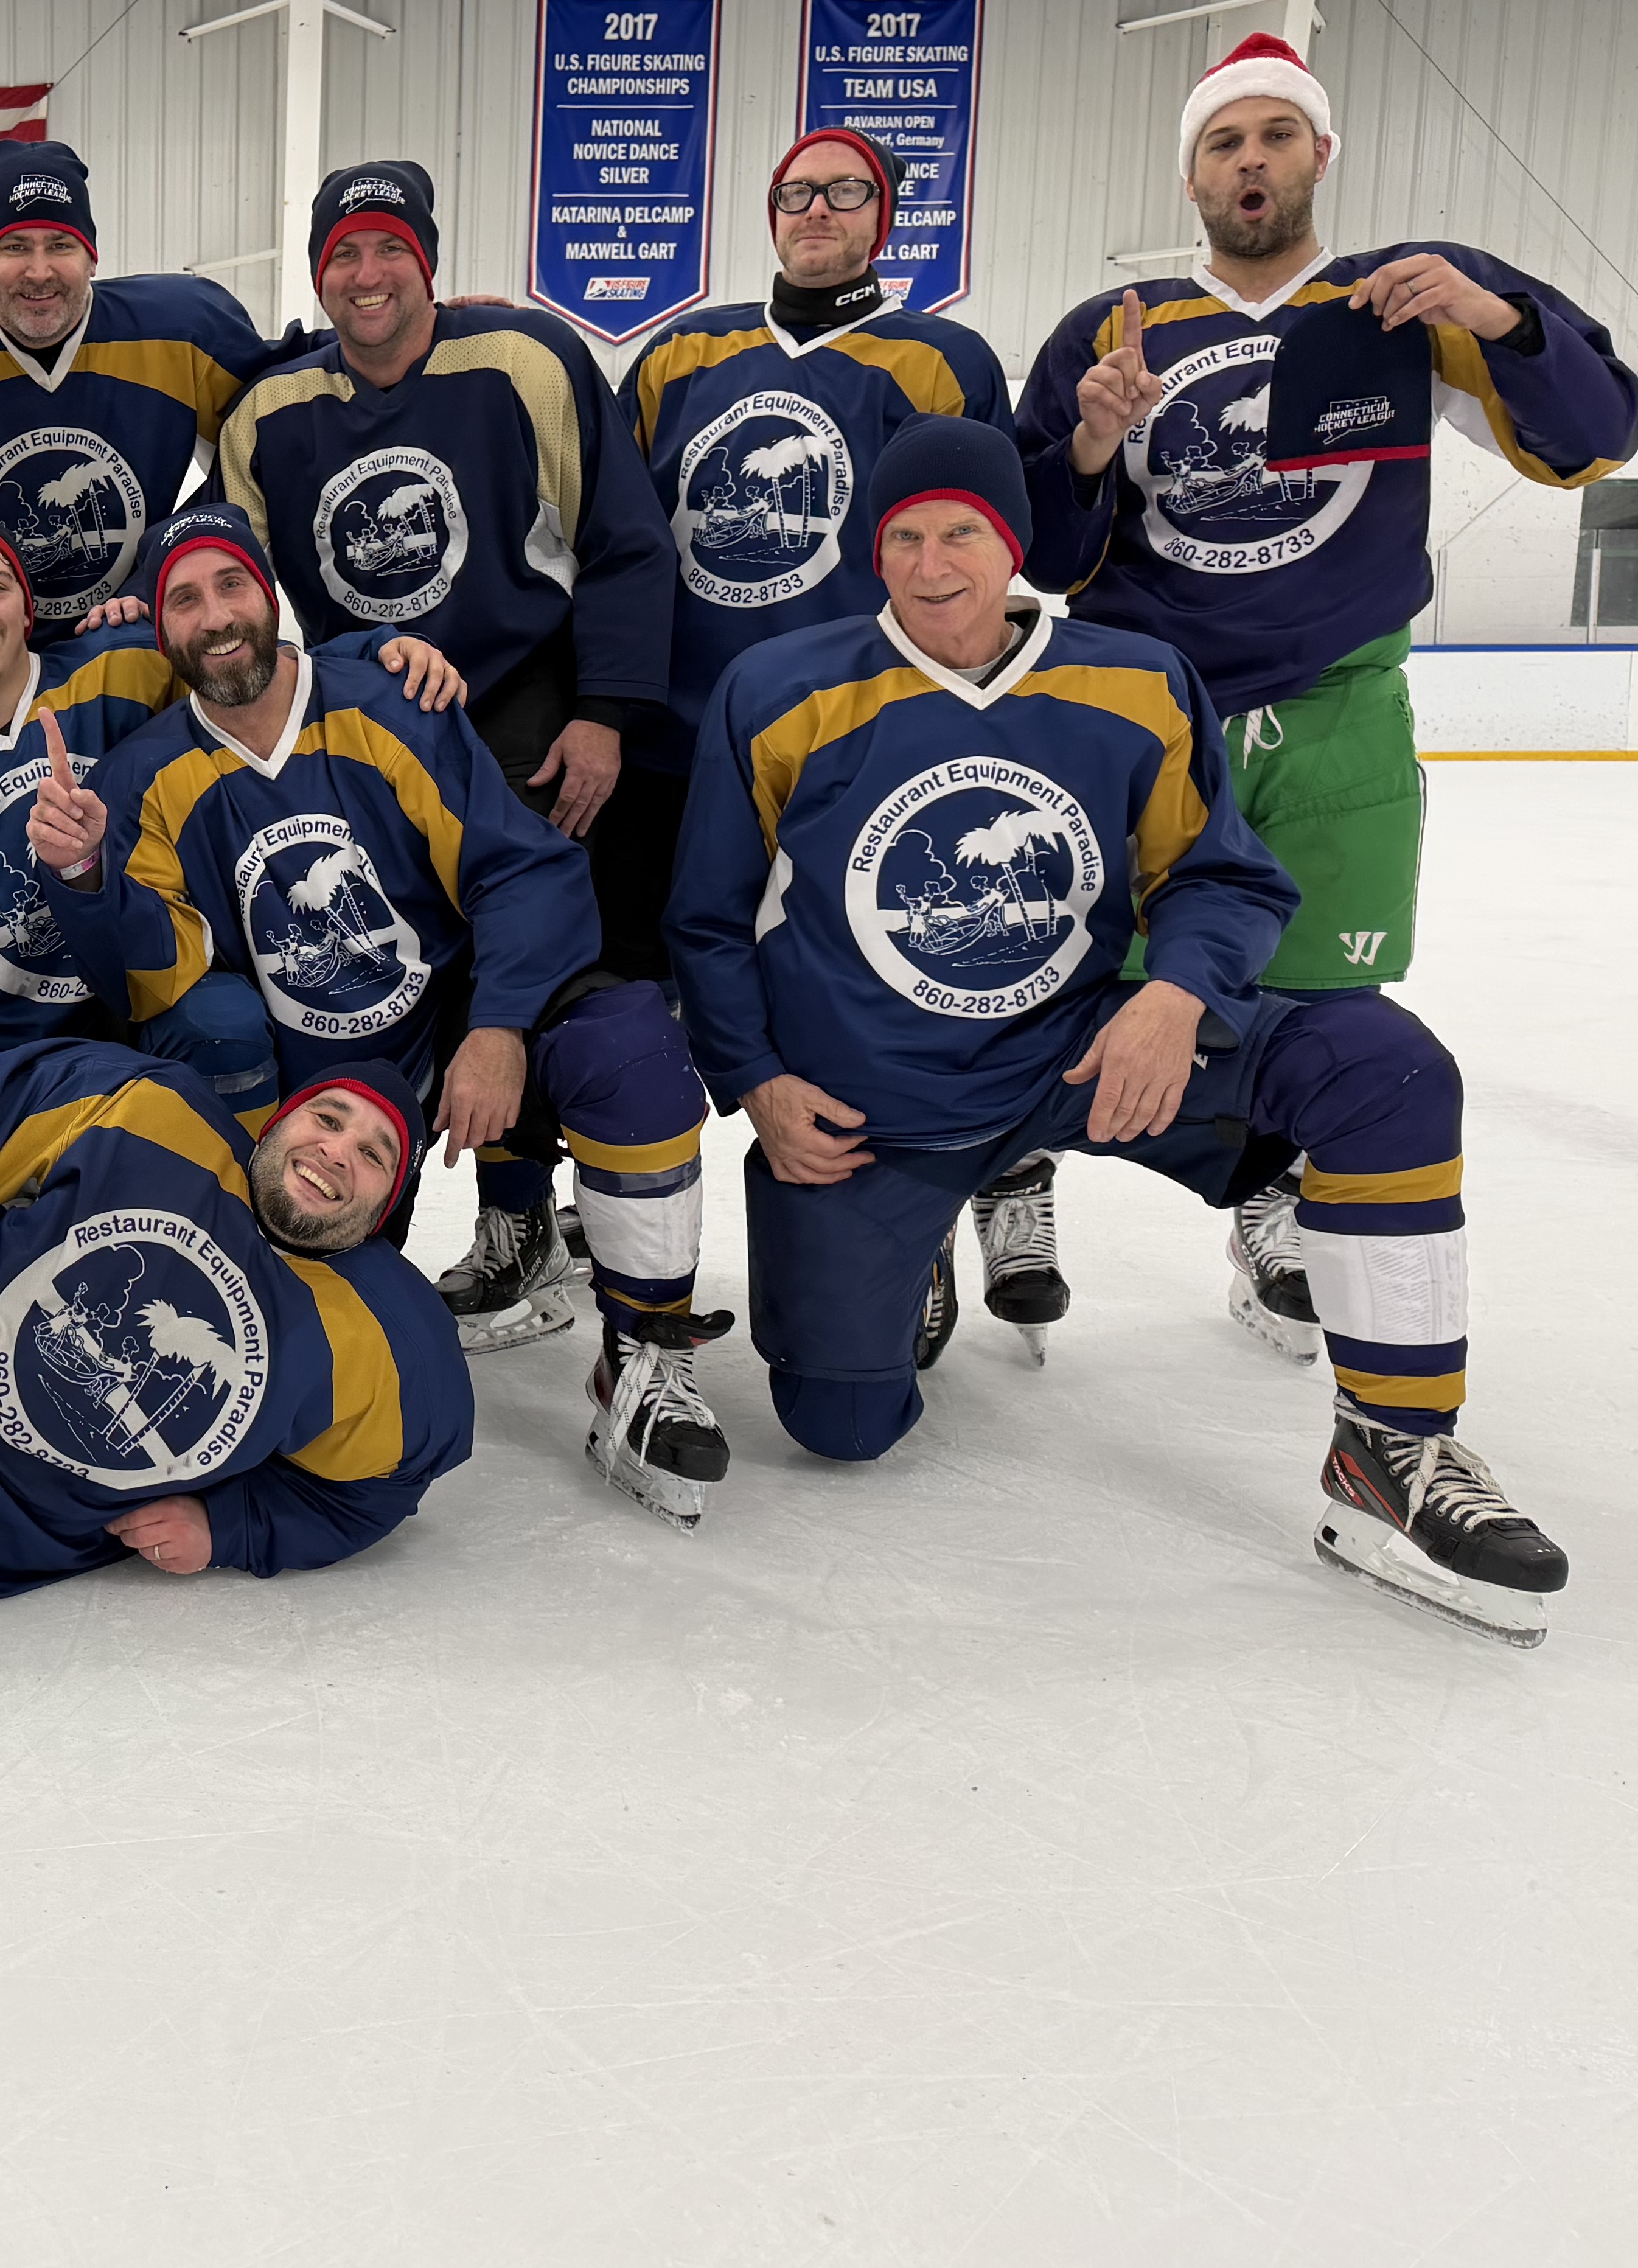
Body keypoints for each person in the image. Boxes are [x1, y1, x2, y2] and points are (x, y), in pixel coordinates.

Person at [671, 417, 1567, 1642]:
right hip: (880, 1108)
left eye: (963, 534)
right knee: (843, 1425)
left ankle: (1393, 1450)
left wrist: (1175, 992)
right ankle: (917, 1231)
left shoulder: (1136, 679)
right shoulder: (782, 689)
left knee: (1382, 1068)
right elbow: (708, 920)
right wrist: (760, 1082)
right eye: (906, 538)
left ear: (1013, 544)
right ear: (873, 551)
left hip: (1083, 1057)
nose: (933, 566)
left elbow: (1220, 878)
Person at [1016, 32, 1638, 1350]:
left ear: (1319, 153)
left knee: (1314, 1003)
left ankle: (1277, 1190)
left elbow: (1593, 440)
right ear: (1191, 176)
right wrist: (1088, 441)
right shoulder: (1114, 327)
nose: (1249, 160)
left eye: (1274, 135)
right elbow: (1046, 557)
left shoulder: (1403, 303)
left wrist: (1499, 318)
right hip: (1143, 719)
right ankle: (1005, 1169)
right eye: (1222, 142)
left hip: (1335, 711)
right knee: (1050, 967)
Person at [23, 510, 732, 1510]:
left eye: (232, 585)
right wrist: (84, 874)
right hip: (321, 1101)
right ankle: (266, 1290)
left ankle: (642, 1355)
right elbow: (150, 978)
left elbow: (521, 872)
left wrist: (495, 1028)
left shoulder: (387, 706)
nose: (215, 616)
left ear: (270, 596)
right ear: (161, 629)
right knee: (216, 1034)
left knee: (629, 1047)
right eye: (184, 598)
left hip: (447, 1020)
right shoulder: (146, 774)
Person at [210, 159, 685, 1345]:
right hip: (368, 715)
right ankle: (399, 1222)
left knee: (536, 969)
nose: (367, 275)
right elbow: (227, 566)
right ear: (318, 274)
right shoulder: (271, 411)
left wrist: (607, 710)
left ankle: (527, 1215)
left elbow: (625, 540)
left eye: (390, 250)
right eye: (343, 255)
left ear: (428, 262)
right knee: (401, 969)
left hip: (524, 704)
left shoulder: (527, 360)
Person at [627, 128, 1061, 1364]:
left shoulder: (939, 359)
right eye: (795, 193)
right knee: (669, 990)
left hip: (869, 746)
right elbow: (617, 532)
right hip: (689, 742)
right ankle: (616, 1209)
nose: (817, 210)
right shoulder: (680, 353)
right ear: (769, 214)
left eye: (846, 192)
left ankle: (961, 1194)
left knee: (900, 978)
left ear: (886, 216)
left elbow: (990, 544)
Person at [0, 515, 462, 1100]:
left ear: (27, 609)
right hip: (12, 1070)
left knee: (225, 1020)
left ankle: (244, 1208)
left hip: (151, 1016)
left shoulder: (121, 667)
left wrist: (380, 647)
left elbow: (256, 668)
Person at [0, 1044, 470, 1600]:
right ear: (278, 1123)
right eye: (328, 1119)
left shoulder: (389, 1347)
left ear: (383, 1213)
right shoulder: (150, 1111)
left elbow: (375, 1491)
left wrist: (232, 1527)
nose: (337, 1152)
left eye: (373, 1156)